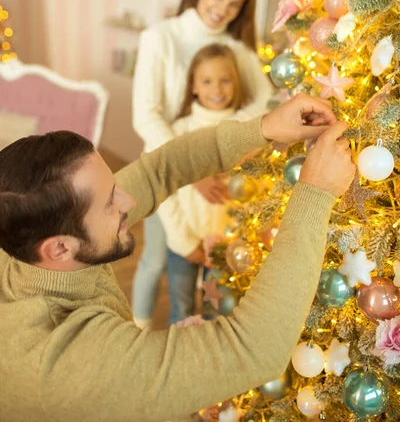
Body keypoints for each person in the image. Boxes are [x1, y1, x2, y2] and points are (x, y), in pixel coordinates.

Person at [0, 94, 355, 422]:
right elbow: (254, 348)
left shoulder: (31, 238)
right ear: (60, 248)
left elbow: (157, 172)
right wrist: (315, 193)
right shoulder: (65, 365)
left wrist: (263, 128)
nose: (128, 201)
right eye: (110, 203)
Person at [132, 0, 273, 328]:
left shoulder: (235, 49)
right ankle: (138, 330)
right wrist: (188, 169)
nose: (222, 9)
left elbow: (265, 102)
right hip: (163, 165)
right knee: (158, 259)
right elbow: (145, 115)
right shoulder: (159, 37)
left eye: (234, 4)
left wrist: (223, 144)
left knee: (205, 259)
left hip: (213, 170)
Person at [158, 43, 250, 325]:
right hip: (182, 244)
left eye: (225, 80)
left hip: (226, 247)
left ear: (236, 83)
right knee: (181, 311)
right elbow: (166, 192)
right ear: (194, 86)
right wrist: (185, 242)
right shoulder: (178, 131)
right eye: (207, 81)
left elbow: (251, 192)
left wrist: (231, 241)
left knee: (219, 314)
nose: (217, 89)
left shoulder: (244, 129)